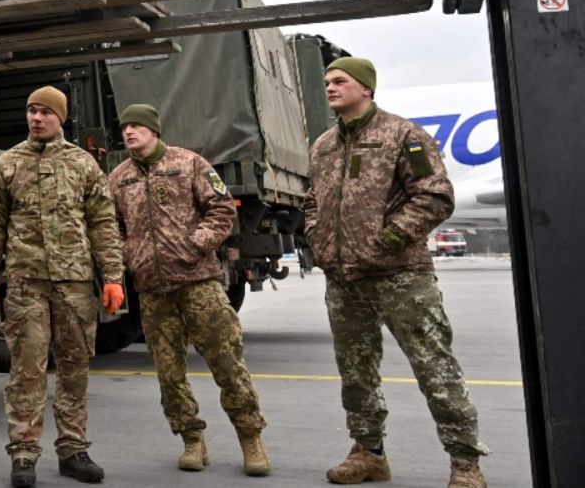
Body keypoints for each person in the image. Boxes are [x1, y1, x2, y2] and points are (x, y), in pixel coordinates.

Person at [303, 57, 489, 487]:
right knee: (355, 372)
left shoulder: (402, 135)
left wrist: (388, 239)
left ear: (365, 88)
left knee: (435, 369)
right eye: (327, 82)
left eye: (340, 81)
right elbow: (312, 200)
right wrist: (316, 237)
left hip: (400, 275)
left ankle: (465, 463)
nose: (330, 88)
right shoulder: (323, 145)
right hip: (345, 278)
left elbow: (435, 196)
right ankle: (368, 453)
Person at [106, 103, 270, 476]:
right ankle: (192, 440)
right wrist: (128, 255)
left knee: (226, 362)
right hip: (152, 290)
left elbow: (223, 209)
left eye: (137, 126)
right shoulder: (118, 178)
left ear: (154, 130)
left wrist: (196, 243)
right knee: (169, 373)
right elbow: (108, 227)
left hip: (199, 284)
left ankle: (250, 438)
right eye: (125, 127)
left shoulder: (189, 163)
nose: (129, 132)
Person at [0, 86, 125, 486]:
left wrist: (112, 278)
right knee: (26, 370)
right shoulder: (8, 164)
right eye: (31, 111)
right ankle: (23, 454)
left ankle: (73, 450)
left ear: (60, 118)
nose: (36, 118)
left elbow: (103, 225)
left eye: (44, 112)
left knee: (75, 368)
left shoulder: (83, 165)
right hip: (26, 283)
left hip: (75, 284)